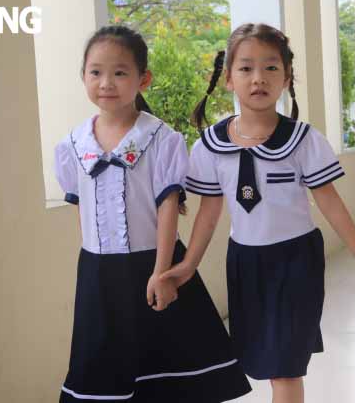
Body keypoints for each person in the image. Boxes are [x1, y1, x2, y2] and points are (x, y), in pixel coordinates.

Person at [160, 23, 355, 403]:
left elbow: (331, 203)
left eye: (271, 68)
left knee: (285, 365)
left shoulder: (304, 141)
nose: (258, 78)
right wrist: (188, 266)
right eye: (246, 68)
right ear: (227, 79)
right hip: (245, 262)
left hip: (296, 261)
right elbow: (208, 213)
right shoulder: (209, 146)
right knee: (263, 362)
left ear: (287, 78)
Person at [54, 25, 251, 403]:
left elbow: (167, 210)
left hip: (153, 267)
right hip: (98, 275)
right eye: (95, 72)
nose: (106, 82)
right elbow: (82, 210)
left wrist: (162, 273)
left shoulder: (161, 139)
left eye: (120, 72)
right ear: (83, 77)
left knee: (166, 373)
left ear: (143, 78)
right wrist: (93, 268)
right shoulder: (73, 145)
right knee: (102, 372)